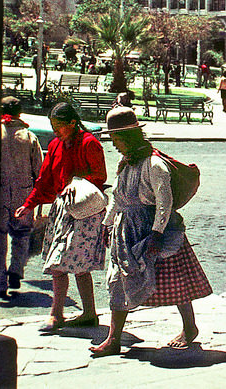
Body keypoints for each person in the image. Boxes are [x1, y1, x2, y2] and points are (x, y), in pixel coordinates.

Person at [89, 107, 212, 357]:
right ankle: (113, 338)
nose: (114, 145)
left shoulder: (154, 165)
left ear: (129, 137)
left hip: (154, 230)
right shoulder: (126, 164)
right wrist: (107, 224)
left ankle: (190, 328)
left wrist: (157, 234)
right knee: (119, 281)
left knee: (176, 282)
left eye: (117, 139)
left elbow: (164, 201)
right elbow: (118, 196)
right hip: (127, 231)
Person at [15, 102, 108, 331]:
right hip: (61, 210)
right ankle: (57, 314)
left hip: (84, 211)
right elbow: (45, 179)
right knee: (57, 263)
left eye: (59, 125)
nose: (55, 130)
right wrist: (29, 204)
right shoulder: (56, 145)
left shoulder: (89, 143)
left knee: (79, 264)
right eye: (52, 125)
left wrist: (77, 183)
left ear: (72, 123)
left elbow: (100, 175)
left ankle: (88, 313)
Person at [0, 96, 43, 297]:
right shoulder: (29, 136)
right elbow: (39, 169)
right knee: (22, 235)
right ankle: (16, 270)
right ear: (19, 113)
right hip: (24, 193)